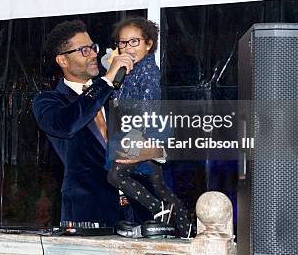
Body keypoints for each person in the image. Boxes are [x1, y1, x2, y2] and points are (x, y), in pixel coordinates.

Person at [32, 20, 142, 227]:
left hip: (133, 213)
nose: (93, 54)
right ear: (62, 60)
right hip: (88, 214)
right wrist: (107, 81)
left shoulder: (113, 95)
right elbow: (68, 124)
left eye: (93, 48)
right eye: (84, 50)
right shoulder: (48, 102)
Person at [105, 17, 194, 238]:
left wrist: (139, 136)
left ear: (149, 44)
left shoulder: (147, 70)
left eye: (134, 42)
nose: (127, 48)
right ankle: (185, 226)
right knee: (159, 183)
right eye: (123, 43)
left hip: (146, 127)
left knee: (116, 175)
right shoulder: (129, 70)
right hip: (137, 127)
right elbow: (117, 98)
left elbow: (148, 104)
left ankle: (158, 209)